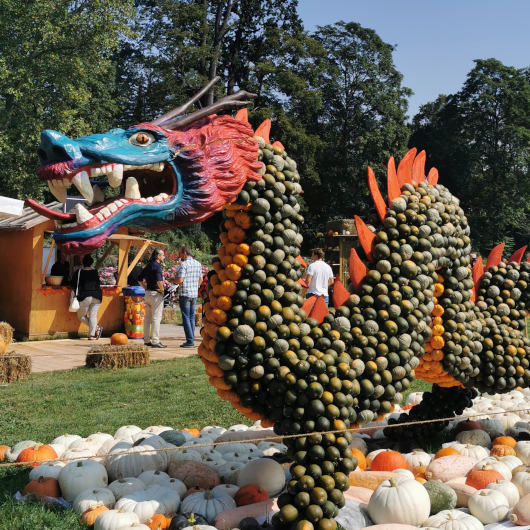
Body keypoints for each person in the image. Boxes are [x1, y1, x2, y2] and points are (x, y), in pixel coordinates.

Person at [174, 246, 203, 347]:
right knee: (191, 317)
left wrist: (172, 280)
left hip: (185, 293)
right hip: (194, 294)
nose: (180, 255)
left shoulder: (184, 264)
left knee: (186, 317)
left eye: (180, 253)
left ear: (185, 253)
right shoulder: (198, 264)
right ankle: (191, 339)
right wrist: (195, 286)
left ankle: (190, 341)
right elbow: (201, 280)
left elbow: (180, 280)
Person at [138, 248, 166, 348]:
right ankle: (155, 341)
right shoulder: (157, 266)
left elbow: (139, 279)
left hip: (148, 293)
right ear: (158, 256)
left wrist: (145, 287)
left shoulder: (149, 265)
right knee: (156, 318)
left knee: (147, 318)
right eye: (162, 255)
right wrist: (163, 290)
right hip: (156, 294)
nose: (164, 256)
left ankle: (146, 340)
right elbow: (159, 280)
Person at [71, 254, 103, 340]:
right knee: (93, 316)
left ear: (83, 263)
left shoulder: (79, 272)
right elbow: (98, 283)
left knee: (81, 316)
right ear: (91, 263)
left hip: (85, 296)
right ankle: (91, 335)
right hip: (97, 296)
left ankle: (96, 328)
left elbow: (73, 284)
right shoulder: (95, 272)